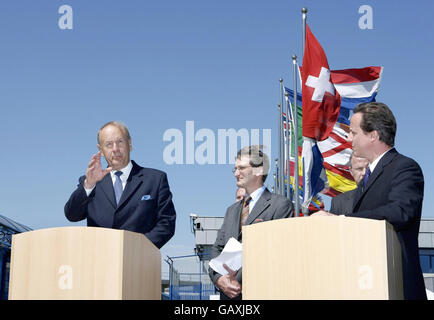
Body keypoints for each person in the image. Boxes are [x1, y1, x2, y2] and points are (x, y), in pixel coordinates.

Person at [313, 102, 426, 300]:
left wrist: (340, 219)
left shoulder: (405, 168)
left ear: (373, 135)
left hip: (396, 286)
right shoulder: (367, 179)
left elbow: (399, 213)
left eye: (354, 133)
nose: (349, 139)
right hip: (367, 285)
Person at [64, 121, 176, 249]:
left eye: (120, 142)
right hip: (99, 262)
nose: (115, 149)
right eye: (109, 144)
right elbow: (72, 215)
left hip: (139, 262)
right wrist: (89, 185)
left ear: (130, 144)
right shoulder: (90, 182)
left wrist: (138, 249)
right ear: (100, 150)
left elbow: (166, 224)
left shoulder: (155, 179)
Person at [208, 145, 293, 300]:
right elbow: (216, 250)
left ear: (258, 170)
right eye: (234, 169)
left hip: (261, 293)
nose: (236, 173)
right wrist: (220, 280)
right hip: (228, 296)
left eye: (241, 168)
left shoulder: (280, 205)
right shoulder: (231, 211)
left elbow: (278, 253)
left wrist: (237, 281)